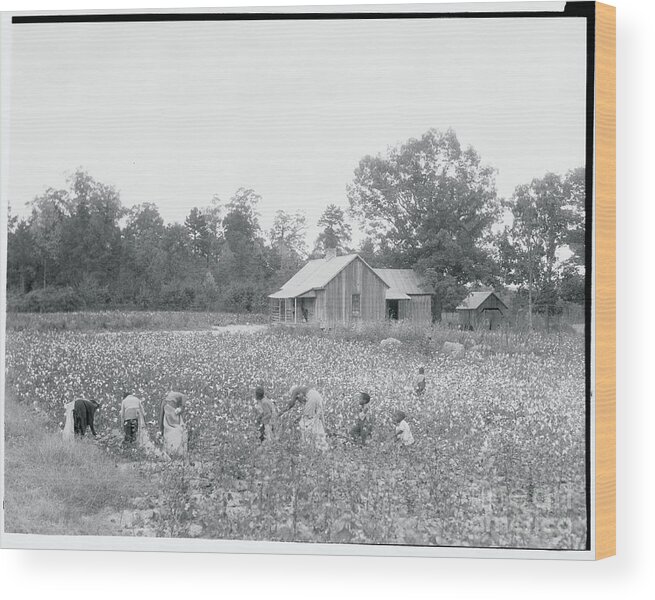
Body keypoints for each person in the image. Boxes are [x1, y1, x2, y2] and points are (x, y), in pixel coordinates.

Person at [280, 385, 328, 451]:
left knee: (307, 421)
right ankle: (321, 444)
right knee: (316, 419)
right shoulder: (304, 390)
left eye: (296, 398)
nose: (297, 399)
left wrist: (280, 413)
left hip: (312, 398)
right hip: (318, 396)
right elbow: (308, 409)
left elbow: (291, 404)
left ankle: (308, 443)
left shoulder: (295, 390)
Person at [158, 391, 188, 458]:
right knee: (177, 428)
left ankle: (169, 450)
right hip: (171, 405)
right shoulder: (183, 396)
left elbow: (161, 416)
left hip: (166, 404)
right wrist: (181, 409)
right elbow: (182, 406)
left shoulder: (168, 397)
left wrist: (160, 429)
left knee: (167, 427)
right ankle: (176, 451)